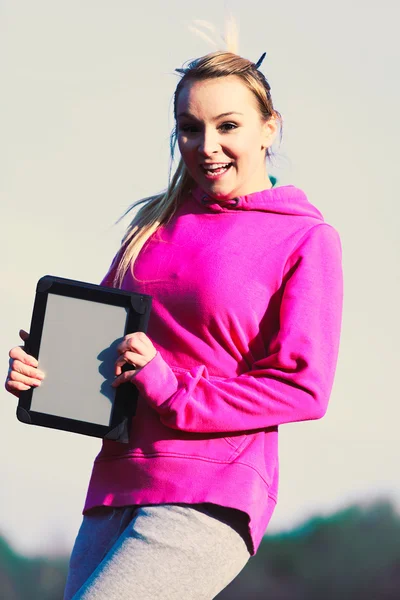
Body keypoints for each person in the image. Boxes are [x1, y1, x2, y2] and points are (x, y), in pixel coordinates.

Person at [5, 49, 343, 599]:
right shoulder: (152, 226)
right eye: (189, 128)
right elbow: (106, 343)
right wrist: (46, 372)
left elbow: (303, 388)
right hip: (115, 485)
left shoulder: (305, 239)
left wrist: (170, 387)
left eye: (227, 126)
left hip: (208, 493)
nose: (206, 146)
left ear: (268, 128)